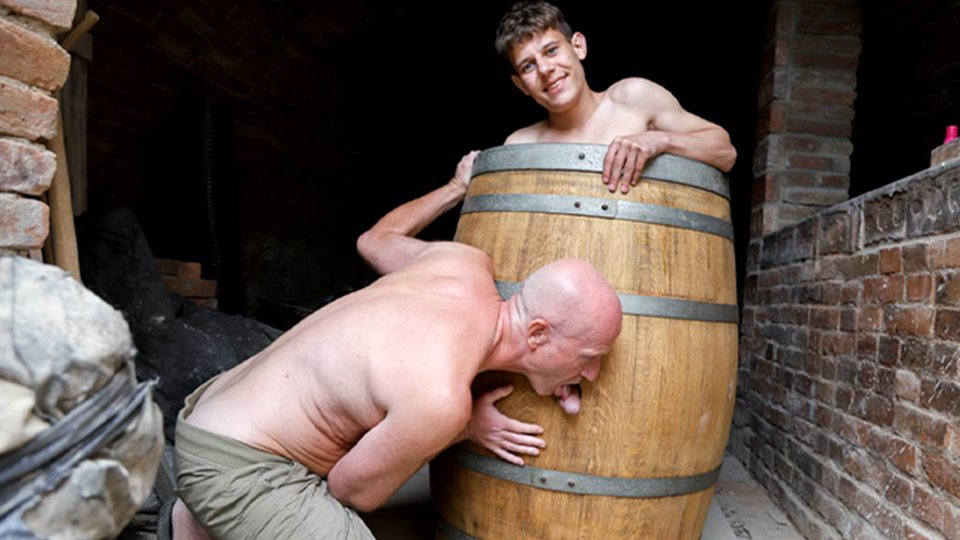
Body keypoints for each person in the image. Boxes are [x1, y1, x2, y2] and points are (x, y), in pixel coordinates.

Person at [170, 151, 623, 539]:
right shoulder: (441, 400)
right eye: (589, 358)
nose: (592, 374)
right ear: (538, 334)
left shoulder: (462, 263)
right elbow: (349, 490)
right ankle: (208, 507)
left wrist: (454, 187)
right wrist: (464, 427)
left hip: (213, 404)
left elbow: (375, 241)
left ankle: (201, 518)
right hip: (236, 459)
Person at [496, 1, 737, 193]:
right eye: (528, 66)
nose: (545, 69)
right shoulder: (519, 145)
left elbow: (726, 154)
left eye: (551, 50)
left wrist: (661, 140)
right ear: (520, 85)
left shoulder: (634, 98)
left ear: (578, 47)